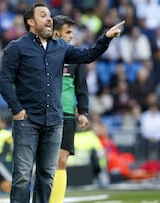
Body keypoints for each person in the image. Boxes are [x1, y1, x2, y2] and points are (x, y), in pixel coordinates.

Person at [0, 2, 124, 203]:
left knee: (47, 175)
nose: (49, 18)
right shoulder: (17, 48)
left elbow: (87, 55)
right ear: (31, 22)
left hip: (54, 121)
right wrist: (17, 108)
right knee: (22, 175)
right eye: (42, 15)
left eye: (49, 15)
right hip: (27, 120)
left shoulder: (61, 47)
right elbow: (4, 81)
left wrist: (105, 38)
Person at [48, 15, 90, 203]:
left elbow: (81, 87)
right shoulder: (42, 55)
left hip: (66, 115)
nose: (72, 36)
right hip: (45, 114)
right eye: (68, 32)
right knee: (44, 163)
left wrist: (82, 112)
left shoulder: (75, 57)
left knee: (61, 161)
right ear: (56, 33)